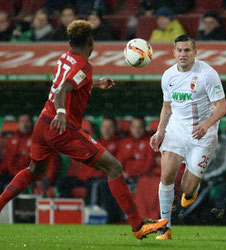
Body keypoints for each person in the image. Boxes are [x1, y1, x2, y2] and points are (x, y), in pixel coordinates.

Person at [0, 20, 167, 239]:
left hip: (43, 123)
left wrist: (96, 83)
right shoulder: (83, 66)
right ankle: (138, 225)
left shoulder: (65, 57)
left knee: (34, 171)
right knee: (114, 167)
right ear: (91, 41)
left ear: (70, 41)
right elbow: (62, 89)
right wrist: (61, 112)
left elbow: (70, 81)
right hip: (62, 127)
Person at [150, 35, 226, 239]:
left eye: (187, 50)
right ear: (173, 52)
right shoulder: (168, 75)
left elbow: (222, 107)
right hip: (176, 131)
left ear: (195, 52)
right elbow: (167, 107)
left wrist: (206, 125)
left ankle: (192, 191)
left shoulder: (207, 74)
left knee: (187, 187)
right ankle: (165, 227)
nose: (183, 54)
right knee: (166, 175)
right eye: (179, 50)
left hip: (203, 135)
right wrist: (160, 131)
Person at [117, 117, 159, 219]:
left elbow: (149, 165)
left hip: (141, 178)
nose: (137, 130)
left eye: (140, 127)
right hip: (125, 177)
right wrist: (120, 173)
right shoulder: (125, 142)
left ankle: (137, 217)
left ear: (144, 128)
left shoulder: (150, 142)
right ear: (130, 128)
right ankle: (113, 218)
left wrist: (130, 173)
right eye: (135, 127)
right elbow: (118, 162)